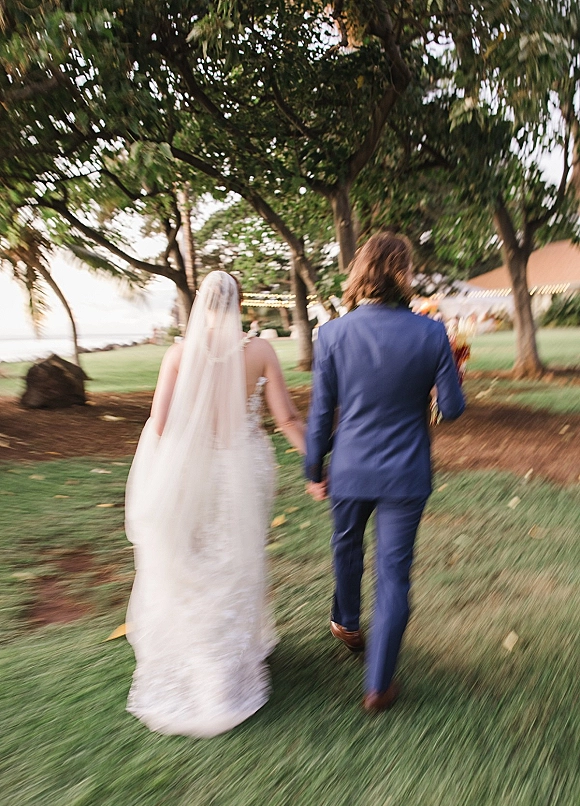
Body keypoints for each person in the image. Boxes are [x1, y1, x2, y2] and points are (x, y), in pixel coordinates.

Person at [125, 271, 305, 737]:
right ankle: (226, 667)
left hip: (193, 472)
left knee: (194, 562)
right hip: (244, 470)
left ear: (201, 304)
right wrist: (317, 462)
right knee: (235, 564)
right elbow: (286, 416)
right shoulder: (260, 351)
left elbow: (160, 425)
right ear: (240, 305)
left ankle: (199, 659)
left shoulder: (179, 354)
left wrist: (163, 474)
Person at [305, 232, 465, 713]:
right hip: (406, 470)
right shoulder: (431, 333)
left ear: (360, 272)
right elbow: (452, 409)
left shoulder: (332, 334)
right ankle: (378, 685)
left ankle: (348, 622)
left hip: (350, 467)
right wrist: (445, 383)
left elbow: (320, 414)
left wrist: (315, 468)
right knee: (394, 576)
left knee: (345, 545)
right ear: (403, 274)